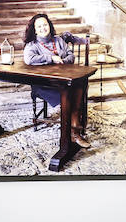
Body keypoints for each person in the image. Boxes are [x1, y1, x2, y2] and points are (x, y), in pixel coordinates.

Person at [22, 12, 91, 148]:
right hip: (44, 84)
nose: (43, 28)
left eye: (45, 25)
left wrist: (64, 61)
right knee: (72, 93)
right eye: (39, 26)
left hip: (63, 81)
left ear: (49, 25)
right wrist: (51, 58)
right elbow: (29, 59)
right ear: (34, 29)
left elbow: (71, 56)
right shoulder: (32, 45)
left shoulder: (58, 40)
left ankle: (73, 128)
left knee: (78, 86)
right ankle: (74, 131)